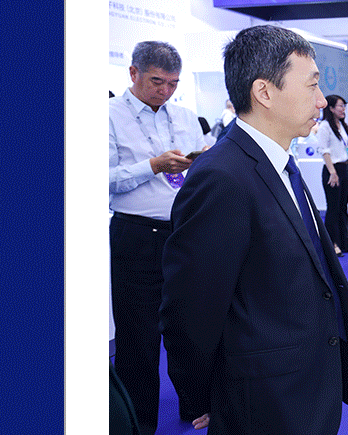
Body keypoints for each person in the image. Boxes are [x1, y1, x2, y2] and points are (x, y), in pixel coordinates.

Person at [160, 25, 348, 434]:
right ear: (264, 92)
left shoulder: (278, 162)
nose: (322, 100)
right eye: (312, 86)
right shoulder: (222, 176)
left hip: (305, 385)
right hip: (263, 400)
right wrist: (206, 395)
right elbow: (191, 308)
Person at [109, 40, 206, 435]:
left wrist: (202, 161)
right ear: (133, 73)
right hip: (136, 235)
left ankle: (197, 405)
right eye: (156, 82)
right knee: (138, 337)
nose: (165, 91)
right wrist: (151, 165)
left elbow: (200, 169)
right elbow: (100, 178)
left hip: (184, 232)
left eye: (173, 83)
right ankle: (139, 423)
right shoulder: (107, 115)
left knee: (191, 326)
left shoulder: (185, 116)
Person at [318, 94, 348, 255]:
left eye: (344, 106)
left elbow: (345, 150)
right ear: (331, 108)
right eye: (340, 106)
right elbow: (324, 151)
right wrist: (332, 173)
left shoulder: (342, 125)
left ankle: (344, 242)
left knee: (343, 208)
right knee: (333, 208)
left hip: (344, 168)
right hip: (331, 170)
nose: (343, 109)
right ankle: (332, 244)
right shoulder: (324, 126)